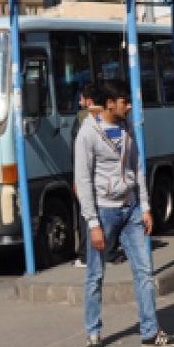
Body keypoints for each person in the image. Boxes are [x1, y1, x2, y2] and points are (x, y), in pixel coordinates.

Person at [74, 79, 174, 347]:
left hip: (131, 208)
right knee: (95, 275)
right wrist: (93, 223)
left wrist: (145, 206)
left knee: (144, 271)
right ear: (110, 103)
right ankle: (94, 332)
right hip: (104, 212)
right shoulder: (87, 134)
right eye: (125, 101)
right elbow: (83, 181)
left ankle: (150, 332)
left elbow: (137, 168)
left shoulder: (126, 128)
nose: (130, 106)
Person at [70, 83, 100, 269]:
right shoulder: (107, 116)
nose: (79, 102)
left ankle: (85, 255)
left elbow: (75, 153)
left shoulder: (82, 119)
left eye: (81, 98)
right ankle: (108, 251)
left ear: (88, 100)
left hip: (86, 175)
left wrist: (76, 178)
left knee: (85, 213)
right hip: (103, 175)